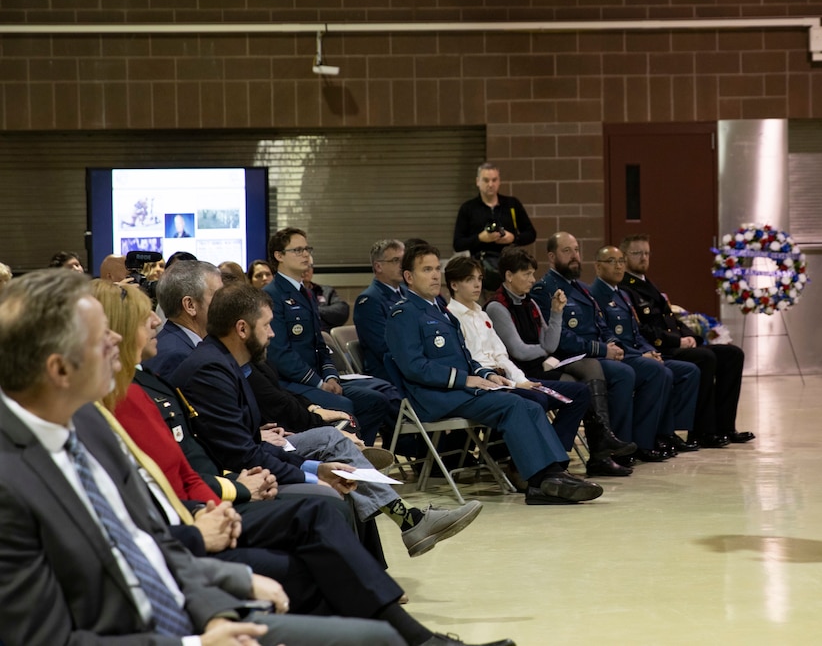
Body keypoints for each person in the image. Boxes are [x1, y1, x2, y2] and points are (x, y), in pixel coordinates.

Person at [0, 268, 420, 646]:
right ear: (59, 370)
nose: (116, 338)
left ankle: (397, 619)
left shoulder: (91, 424)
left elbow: (151, 538)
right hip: (156, 626)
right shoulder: (19, 479)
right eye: (99, 337)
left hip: (189, 589)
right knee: (350, 602)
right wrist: (199, 637)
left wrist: (213, 605)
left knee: (368, 625)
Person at [89, 279, 510, 646]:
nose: (157, 323)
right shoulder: (188, 375)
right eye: (147, 319)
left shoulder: (158, 381)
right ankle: (387, 589)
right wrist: (236, 489)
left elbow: (199, 460)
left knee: (328, 488)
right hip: (213, 498)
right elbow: (199, 466)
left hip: (222, 487)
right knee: (325, 502)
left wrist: (295, 465)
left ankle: (384, 587)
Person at [172, 283, 483, 558]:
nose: (272, 333)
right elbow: (240, 454)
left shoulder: (227, 363)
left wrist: (305, 461)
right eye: (266, 326)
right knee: (335, 481)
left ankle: (399, 534)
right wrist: (313, 476)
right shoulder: (212, 370)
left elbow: (246, 435)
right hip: (231, 476)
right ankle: (395, 537)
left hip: (258, 449)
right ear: (242, 329)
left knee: (334, 447)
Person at [387, 243, 603, 506]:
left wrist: (486, 374)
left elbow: (466, 357)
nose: (435, 275)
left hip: (460, 390)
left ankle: (553, 474)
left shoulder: (439, 311)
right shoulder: (404, 313)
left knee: (528, 404)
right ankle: (541, 481)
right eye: (427, 270)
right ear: (409, 277)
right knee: (514, 405)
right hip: (434, 396)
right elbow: (414, 367)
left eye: (437, 269)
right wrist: (464, 379)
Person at [485, 246, 637, 477]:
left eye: (532, 273)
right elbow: (520, 350)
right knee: (576, 391)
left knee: (585, 375)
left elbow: (550, 342)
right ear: (508, 275)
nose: (532, 279)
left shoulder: (530, 303)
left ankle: (589, 448)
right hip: (520, 374)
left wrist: (557, 313)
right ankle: (568, 453)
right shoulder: (498, 306)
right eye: (526, 274)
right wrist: (545, 349)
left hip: (540, 366)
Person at [531, 232, 669, 463]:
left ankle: (639, 443)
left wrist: (614, 346)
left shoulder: (582, 289)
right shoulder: (544, 289)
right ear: (552, 257)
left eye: (576, 250)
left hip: (600, 353)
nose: (575, 256)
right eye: (567, 251)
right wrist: (603, 350)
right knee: (624, 373)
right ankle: (613, 448)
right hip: (571, 358)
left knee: (655, 370)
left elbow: (602, 326)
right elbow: (562, 339)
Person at [264, 227, 400, 444]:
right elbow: (279, 354)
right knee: (342, 406)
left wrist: (330, 376)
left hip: (317, 380)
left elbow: (320, 345)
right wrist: (319, 383)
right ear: (279, 256)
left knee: (376, 400)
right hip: (290, 384)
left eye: (307, 248)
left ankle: (358, 458)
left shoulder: (305, 293)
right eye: (297, 250)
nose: (306, 254)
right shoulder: (272, 295)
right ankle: (345, 462)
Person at [444, 256, 589, 456]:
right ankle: (532, 461)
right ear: (454, 285)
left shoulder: (482, 315)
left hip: (510, 378)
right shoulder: (450, 318)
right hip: (486, 383)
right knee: (536, 400)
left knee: (580, 393)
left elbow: (502, 355)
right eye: (470, 280)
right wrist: (514, 383)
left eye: (479, 278)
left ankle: (555, 453)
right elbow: (471, 361)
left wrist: (520, 380)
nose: (477, 284)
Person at [619, 234, 752, 448]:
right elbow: (643, 329)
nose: (644, 258)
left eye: (646, 253)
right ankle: (702, 431)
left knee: (732, 354)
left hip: (676, 344)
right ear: (624, 257)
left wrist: (692, 337)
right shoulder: (626, 288)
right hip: (658, 349)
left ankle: (725, 426)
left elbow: (672, 318)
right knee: (705, 358)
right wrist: (677, 342)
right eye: (637, 253)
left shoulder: (649, 285)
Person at [588, 246, 701, 457]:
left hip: (636, 352)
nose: (619, 265)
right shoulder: (595, 295)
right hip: (620, 356)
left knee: (686, 370)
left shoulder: (622, 294)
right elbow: (609, 336)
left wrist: (651, 350)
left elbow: (636, 332)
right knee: (659, 372)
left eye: (621, 261)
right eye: (612, 261)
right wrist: (640, 355)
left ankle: (664, 433)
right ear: (598, 266)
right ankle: (643, 441)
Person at [453, 163, 536, 291]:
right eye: (486, 180)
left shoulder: (511, 204)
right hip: (482, 269)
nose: (490, 184)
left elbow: (531, 234)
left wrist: (513, 238)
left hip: (511, 267)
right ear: (478, 182)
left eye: (494, 180)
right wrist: (480, 238)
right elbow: (458, 243)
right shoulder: (468, 208)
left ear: (499, 181)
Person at [144, 259, 224, 378]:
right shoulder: (178, 357)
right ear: (190, 305)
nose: (225, 302)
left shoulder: (176, 344)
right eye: (219, 296)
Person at [353, 238, 407, 381]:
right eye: (396, 260)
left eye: (404, 260)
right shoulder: (369, 300)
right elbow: (385, 348)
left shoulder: (408, 293)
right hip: (389, 374)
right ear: (378, 267)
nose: (402, 266)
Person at [302, 263, 350, 332]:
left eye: (310, 267)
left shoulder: (325, 291)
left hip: (327, 337)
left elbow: (342, 312)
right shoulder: (289, 292)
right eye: (303, 266)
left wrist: (314, 310)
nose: (307, 270)